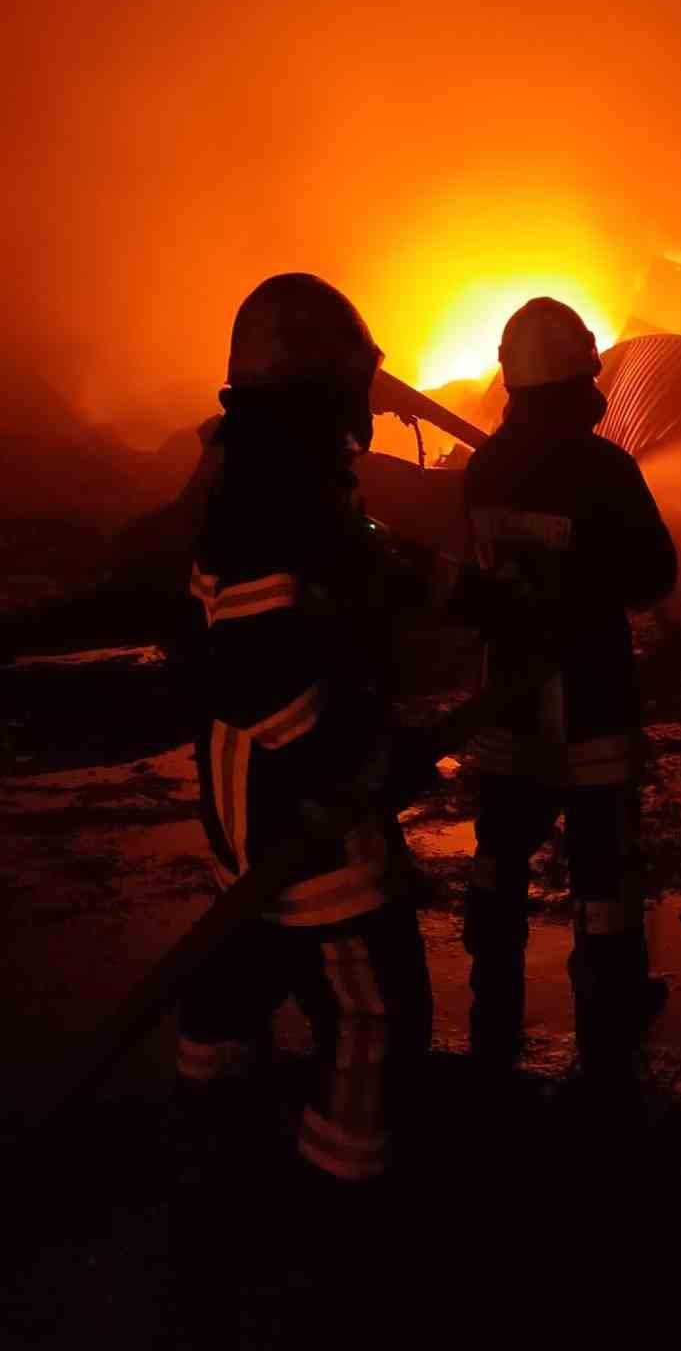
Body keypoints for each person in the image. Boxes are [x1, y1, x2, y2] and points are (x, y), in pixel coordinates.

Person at [173, 273, 433, 1183]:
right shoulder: (269, 493)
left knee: (244, 963)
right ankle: (345, 1191)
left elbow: (339, 565)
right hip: (301, 810)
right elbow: (255, 667)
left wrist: (423, 578)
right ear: (325, 384)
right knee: (373, 1012)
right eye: (358, 379)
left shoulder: (280, 472)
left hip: (256, 795)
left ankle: (212, 1138)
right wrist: (357, 762)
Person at [458, 297, 677, 1092]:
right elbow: (656, 576)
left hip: (504, 713)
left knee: (496, 859)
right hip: (590, 708)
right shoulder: (605, 469)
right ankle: (610, 1033)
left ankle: (493, 1011)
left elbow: (465, 585)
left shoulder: (483, 468)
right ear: (581, 379)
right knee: (604, 880)